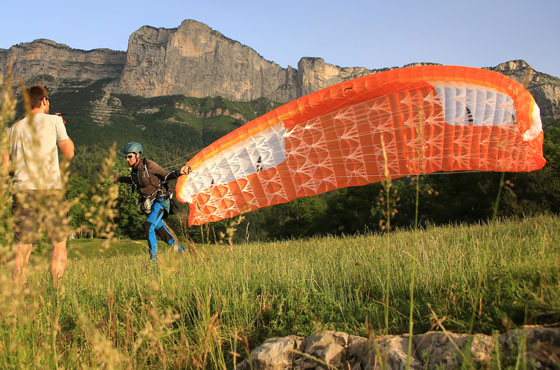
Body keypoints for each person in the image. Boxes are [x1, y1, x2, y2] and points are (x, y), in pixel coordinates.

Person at [2, 85, 75, 287]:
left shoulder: (13, 129)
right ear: (43, 101)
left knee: (22, 250)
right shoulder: (54, 121)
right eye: (48, 100)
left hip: (23, 192)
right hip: (51, 191)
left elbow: (5, 165)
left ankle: (18, 295)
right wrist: (61, 125)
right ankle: (56, 291)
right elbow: (69, 153)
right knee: (59, 245)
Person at [117, 142, 186, 262]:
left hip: (161, 201)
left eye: (129, 156)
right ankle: (180, 250)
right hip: (150, 204)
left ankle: (154, 260)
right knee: (161, 230)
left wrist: (180, 172)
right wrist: (119, 178)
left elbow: (165, 175)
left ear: (138, 155)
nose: (127, 159)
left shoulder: (149, 165)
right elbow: (135, 181)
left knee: (148, 226)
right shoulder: (134, 170)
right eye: (126, 157)